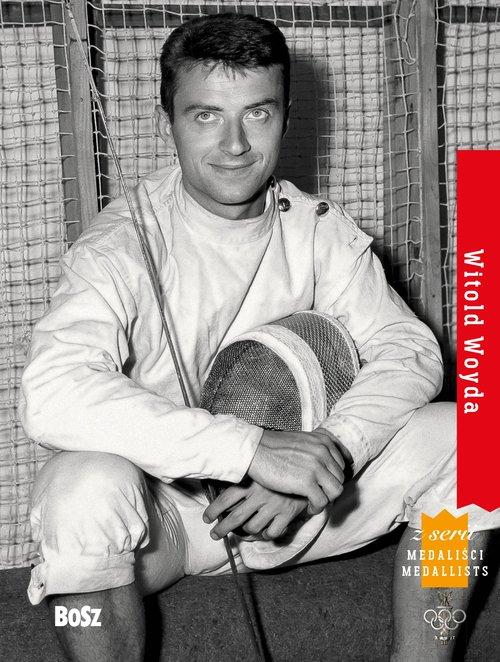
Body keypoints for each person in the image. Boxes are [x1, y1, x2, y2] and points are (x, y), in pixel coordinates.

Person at [20, 13, 498, 662]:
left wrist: (329, 451)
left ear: (287, 117)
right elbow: (52, 394)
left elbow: (408, 350)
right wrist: (250, 451)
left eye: (258, 113)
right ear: (168, 122)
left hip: (304, 504)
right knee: (81, 487)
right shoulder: (119, 245)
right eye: (206, 116)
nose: (235, 144)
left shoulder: (318, 230)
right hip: (169, 521)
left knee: (479, 439)